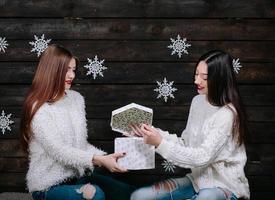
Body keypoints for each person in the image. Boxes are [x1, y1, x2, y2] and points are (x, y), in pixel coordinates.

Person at [130, 50, 250, 200]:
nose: (196, 81)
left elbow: (201, 157)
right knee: (139, 196)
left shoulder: (227, 114)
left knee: (206, 197)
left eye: (204, 77)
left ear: (219, 79)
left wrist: (159, 143)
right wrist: (152, 133)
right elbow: (186, 144)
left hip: (225, 187)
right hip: (197, 182)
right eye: (196, 74)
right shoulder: (197, 101)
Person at [20, 44, 134, 200]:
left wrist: (109, 157)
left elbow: (80, 145)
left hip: (78, 177)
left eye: (73, 70)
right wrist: (100, 160)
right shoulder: (38, 108)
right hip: (47, 186)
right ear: (52, 71)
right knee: (96, 195)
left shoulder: (76, 99)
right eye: (66, 69)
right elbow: (59, 150)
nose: (71, 75)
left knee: (127, 191)